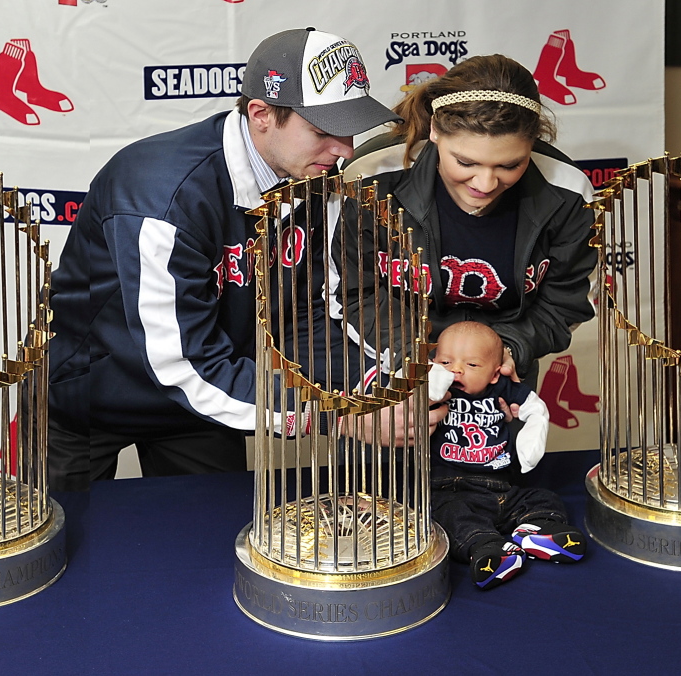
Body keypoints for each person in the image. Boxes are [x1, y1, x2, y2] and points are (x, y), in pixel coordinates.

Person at [46, 28, 410, 491]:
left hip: (202, 404)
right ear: (261, 114)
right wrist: (337, 417)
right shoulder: (162, 196)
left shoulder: (315, 177)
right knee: (61, 550)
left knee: (209, 546)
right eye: (322, 132)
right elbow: (180, 366)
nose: (345, 150)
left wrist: (375, 388)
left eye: (349, 129)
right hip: (86, 400)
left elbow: (309, 313)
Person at [333, 54, 597, 385]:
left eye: (509, 165)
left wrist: (508, 351)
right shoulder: (371, 177)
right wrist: (411, 360)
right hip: (392, 368)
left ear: (533, 144)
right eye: (465, 162)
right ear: (434, 131)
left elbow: (567, 301)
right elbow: (352, 290)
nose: (485, 184)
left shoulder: (568, 193)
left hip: (502, 374)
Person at [428, 321, 585, 590]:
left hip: (502, 488)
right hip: (451, 488)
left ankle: (536, 530)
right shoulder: (439, 396)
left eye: (472, 365)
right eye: (446, 361)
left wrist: (529, 441)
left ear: (494, 374)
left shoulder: (502, 388)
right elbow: (415, 396)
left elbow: (536, 408)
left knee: (543, 498)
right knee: (447, 516)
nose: (456, 369)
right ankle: (488, 548)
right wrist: (432, 379)